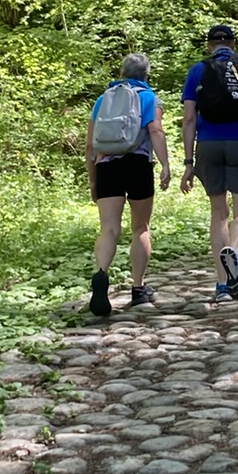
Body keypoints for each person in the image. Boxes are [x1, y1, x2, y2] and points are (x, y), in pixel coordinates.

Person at [179, 23, 238, 300]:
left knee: (218, 212)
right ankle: (233, 251)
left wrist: (188, 162)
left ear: (209, 45)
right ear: (233, 43)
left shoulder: (197, 70)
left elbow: (188, 119)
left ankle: (222, 286)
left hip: (208, 145)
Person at [86, 52, 171, 315]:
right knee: (140, 227)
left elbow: (90, 143)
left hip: (106, 167)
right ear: (147, 74)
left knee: (108, 228)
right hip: (137, 165)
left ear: (122, 73)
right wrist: (166, 164)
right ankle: (138, 288)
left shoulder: (103, 99)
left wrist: (92, 178)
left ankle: (101, 274)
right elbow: (155, 130)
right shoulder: (148, 97)